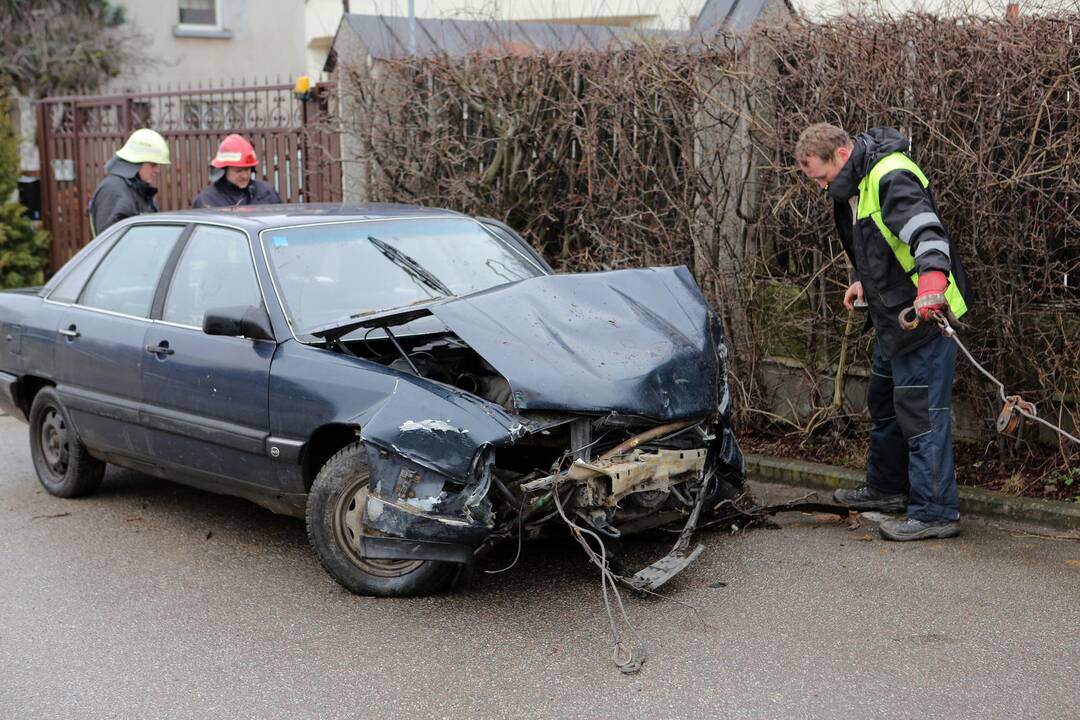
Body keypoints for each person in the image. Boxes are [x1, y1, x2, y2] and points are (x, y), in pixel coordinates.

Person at [795, 123, 972, 541]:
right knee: (885, 401)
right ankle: (887, 490)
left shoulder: (890, 175)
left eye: (822, 176)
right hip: (894, 314)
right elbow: (870, 241)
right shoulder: (855, 184)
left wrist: (931, 286)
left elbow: (925, 233)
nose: (822, 187)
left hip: (926, 315)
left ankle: (934, 513)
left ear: (841, 155)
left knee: (920, 413)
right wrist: (860, 279)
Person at [88, 128, 169, 236]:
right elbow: (110, 242)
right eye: (153, 164)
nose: (158, 170)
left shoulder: (137, 190)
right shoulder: (113, 191)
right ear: (136, 161)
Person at [192, 134, 282, 208]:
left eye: (247, 169)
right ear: (223, 170)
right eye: (238, 171)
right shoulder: (207, 201)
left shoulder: (267, 193)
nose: (245, 176)